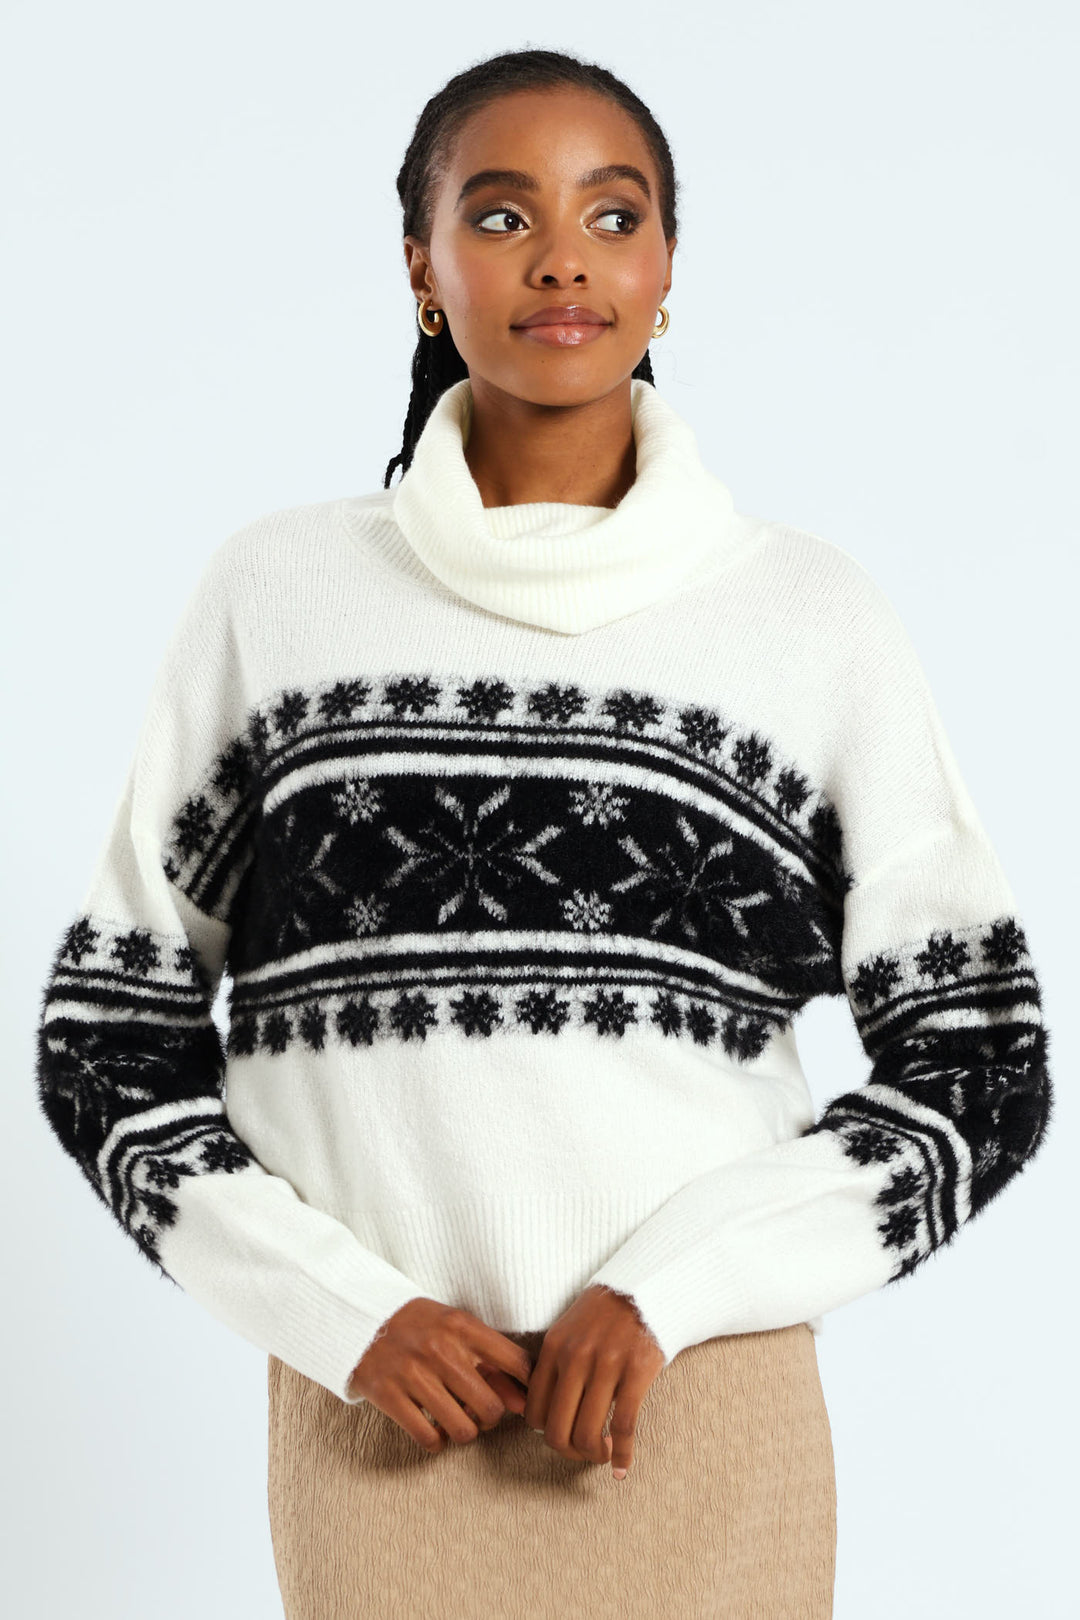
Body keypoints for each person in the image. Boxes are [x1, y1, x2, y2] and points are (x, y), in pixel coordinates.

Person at [35, 46, 1053, 1620]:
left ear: (667, 267)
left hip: (697, 1414)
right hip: (384, 1423)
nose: (563, 259)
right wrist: (338, 1311)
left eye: (613, 215)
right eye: (502, 215)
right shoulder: (276, 600)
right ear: (420, 268)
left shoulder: (810, 620)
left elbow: (983, 1061)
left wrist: (678, 1287)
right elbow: (108, 1037)